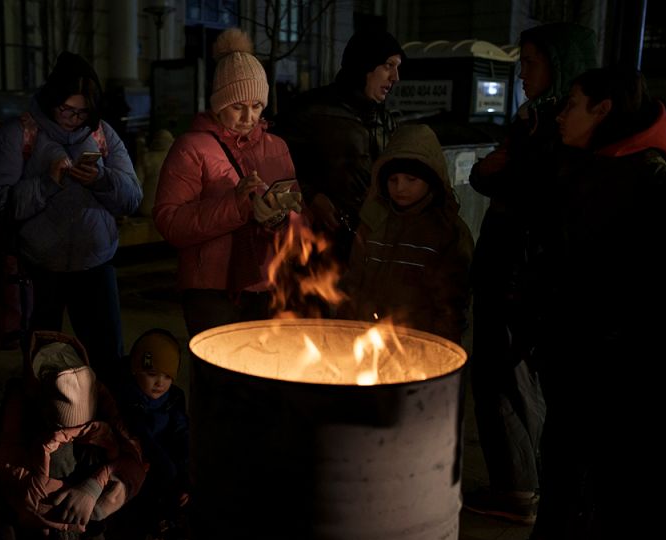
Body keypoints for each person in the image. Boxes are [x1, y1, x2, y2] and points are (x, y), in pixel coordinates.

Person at [519, 66, 666, 540]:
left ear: (604, 110)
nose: (562, 114)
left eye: (573, 104)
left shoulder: (646, 179)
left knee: (600, 466)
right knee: (561, 451)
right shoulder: (584, 162)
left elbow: (634, 286)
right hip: (572, 347)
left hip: (608, 359)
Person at [465, 23, 596, 528]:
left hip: (519, 271)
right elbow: (485, 174)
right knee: (501, 374)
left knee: (507, 375)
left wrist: (501, 170)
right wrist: (494, 170)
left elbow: (515, 182)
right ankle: (517, 481)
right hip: (506, 264)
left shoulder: (556, 128)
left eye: (533, 62)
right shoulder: (532, 120)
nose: (523, 73)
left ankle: (518, 487)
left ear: (560, 65)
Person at [0, 51, 141, 384]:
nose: (73, 118)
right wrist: (47, 183)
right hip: (39, 270)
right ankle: (45, 429)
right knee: (41, 363)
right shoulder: (19, 134)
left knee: (108, 360)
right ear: (52, 99)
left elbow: (132, 197)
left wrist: (100, 179)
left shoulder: (102, 135)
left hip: (95, 265)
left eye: (82, 112)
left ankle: (104, 428)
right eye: (67, 110)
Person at [153, 27, 302, 339]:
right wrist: (236, 206)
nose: (249, 116)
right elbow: (169, 222)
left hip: (266, 284)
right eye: (238, 106)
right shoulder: (192, 147)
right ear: (219, 104)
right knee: (217, 381)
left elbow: (295, 218)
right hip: (211, 291)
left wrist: (280, 216)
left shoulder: (277, 146)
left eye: (257, 106)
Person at [0, 331, 147, 540]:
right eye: (65, 427)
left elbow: (132, 460)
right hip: (46, 478)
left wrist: (95, 487)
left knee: (100, 446)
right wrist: (48, 498)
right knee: (56, 451)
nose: (71, 433)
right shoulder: (22, 398)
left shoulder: (101, 396)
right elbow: (8, 463)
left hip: (87, 475)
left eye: (78, 426)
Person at [275, 28, 404, 265]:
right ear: (365, 65)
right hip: (319, 249)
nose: (395, 77)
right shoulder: (311, 110)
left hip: (370, 245)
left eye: (397, 67)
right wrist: (311, 197)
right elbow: (276, 165)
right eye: (388, 65)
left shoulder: (386, 120)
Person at [338, 124, 473, 344]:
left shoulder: (447, 231)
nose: (400, 187)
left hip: (419, 345)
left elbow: (451, 305)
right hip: (368, 343)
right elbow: (353, 282)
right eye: (393, 180)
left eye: (411, 180)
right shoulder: (374, 223)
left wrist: (440, 351)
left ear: (431, 180)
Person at [116, 329, 189, 540]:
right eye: (152, 374)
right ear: (136, 370)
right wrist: (171, 471)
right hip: (137, 455)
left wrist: (187, 472)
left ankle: (178, 519)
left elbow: (182, 432)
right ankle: (155, 526)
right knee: (159, 475)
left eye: (167, 376)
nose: (160, 383)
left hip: (164, 454)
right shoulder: (129, 399)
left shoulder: (173, 398)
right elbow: (141, 437)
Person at [134, 129, 174, 217]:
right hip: (171, 211)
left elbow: (136, 183)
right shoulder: (177, 158)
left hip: (147, 209)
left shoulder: (146, 158)